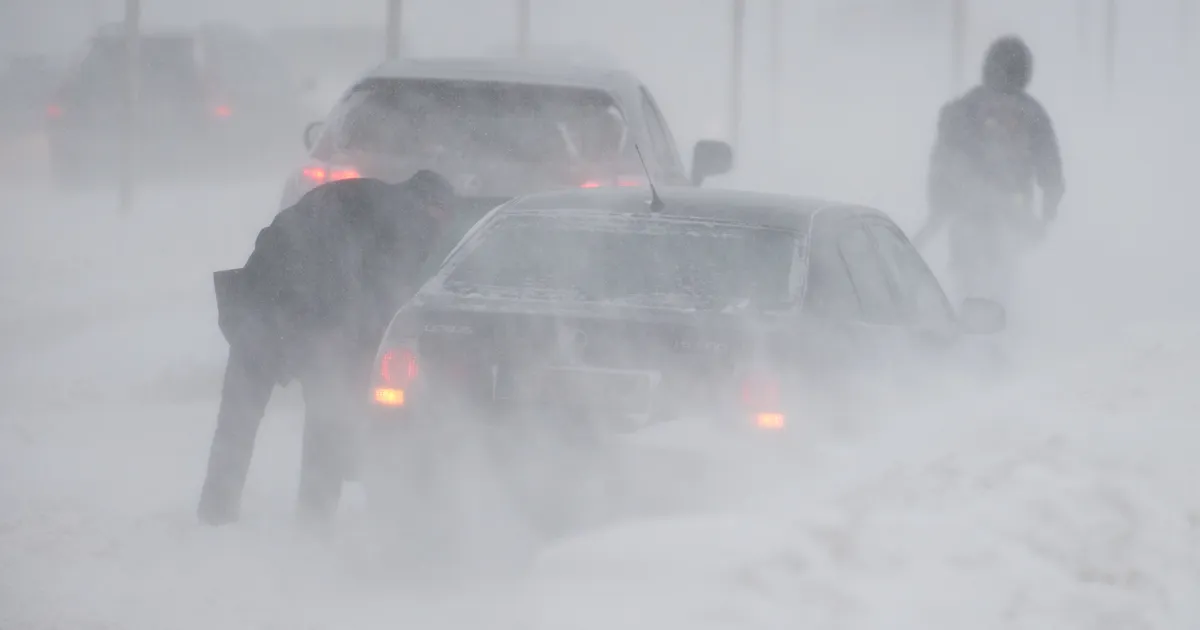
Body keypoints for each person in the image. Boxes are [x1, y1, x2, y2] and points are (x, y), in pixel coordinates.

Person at [198, 170, 457, 530]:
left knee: (237, 420)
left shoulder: (360, 194)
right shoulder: (413, 221)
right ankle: (313, 523)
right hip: (319, 321)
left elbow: (280, 236)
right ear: (435, 207)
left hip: (259, 301)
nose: (442, 229)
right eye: (445, 218)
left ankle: (215, 514)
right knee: (327, 421)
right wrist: (373, 350)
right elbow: (384, 295)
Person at [916, 35, 1065, 305]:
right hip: (1011, 213)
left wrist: (940, 204)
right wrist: (1046, 215)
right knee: (1002, 275)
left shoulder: (966, 106)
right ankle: (1000, 326)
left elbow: (942, 160)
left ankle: (965, 321)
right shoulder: (1032, 113)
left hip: (968, 210)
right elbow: (1051, 172)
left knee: (967, 274)